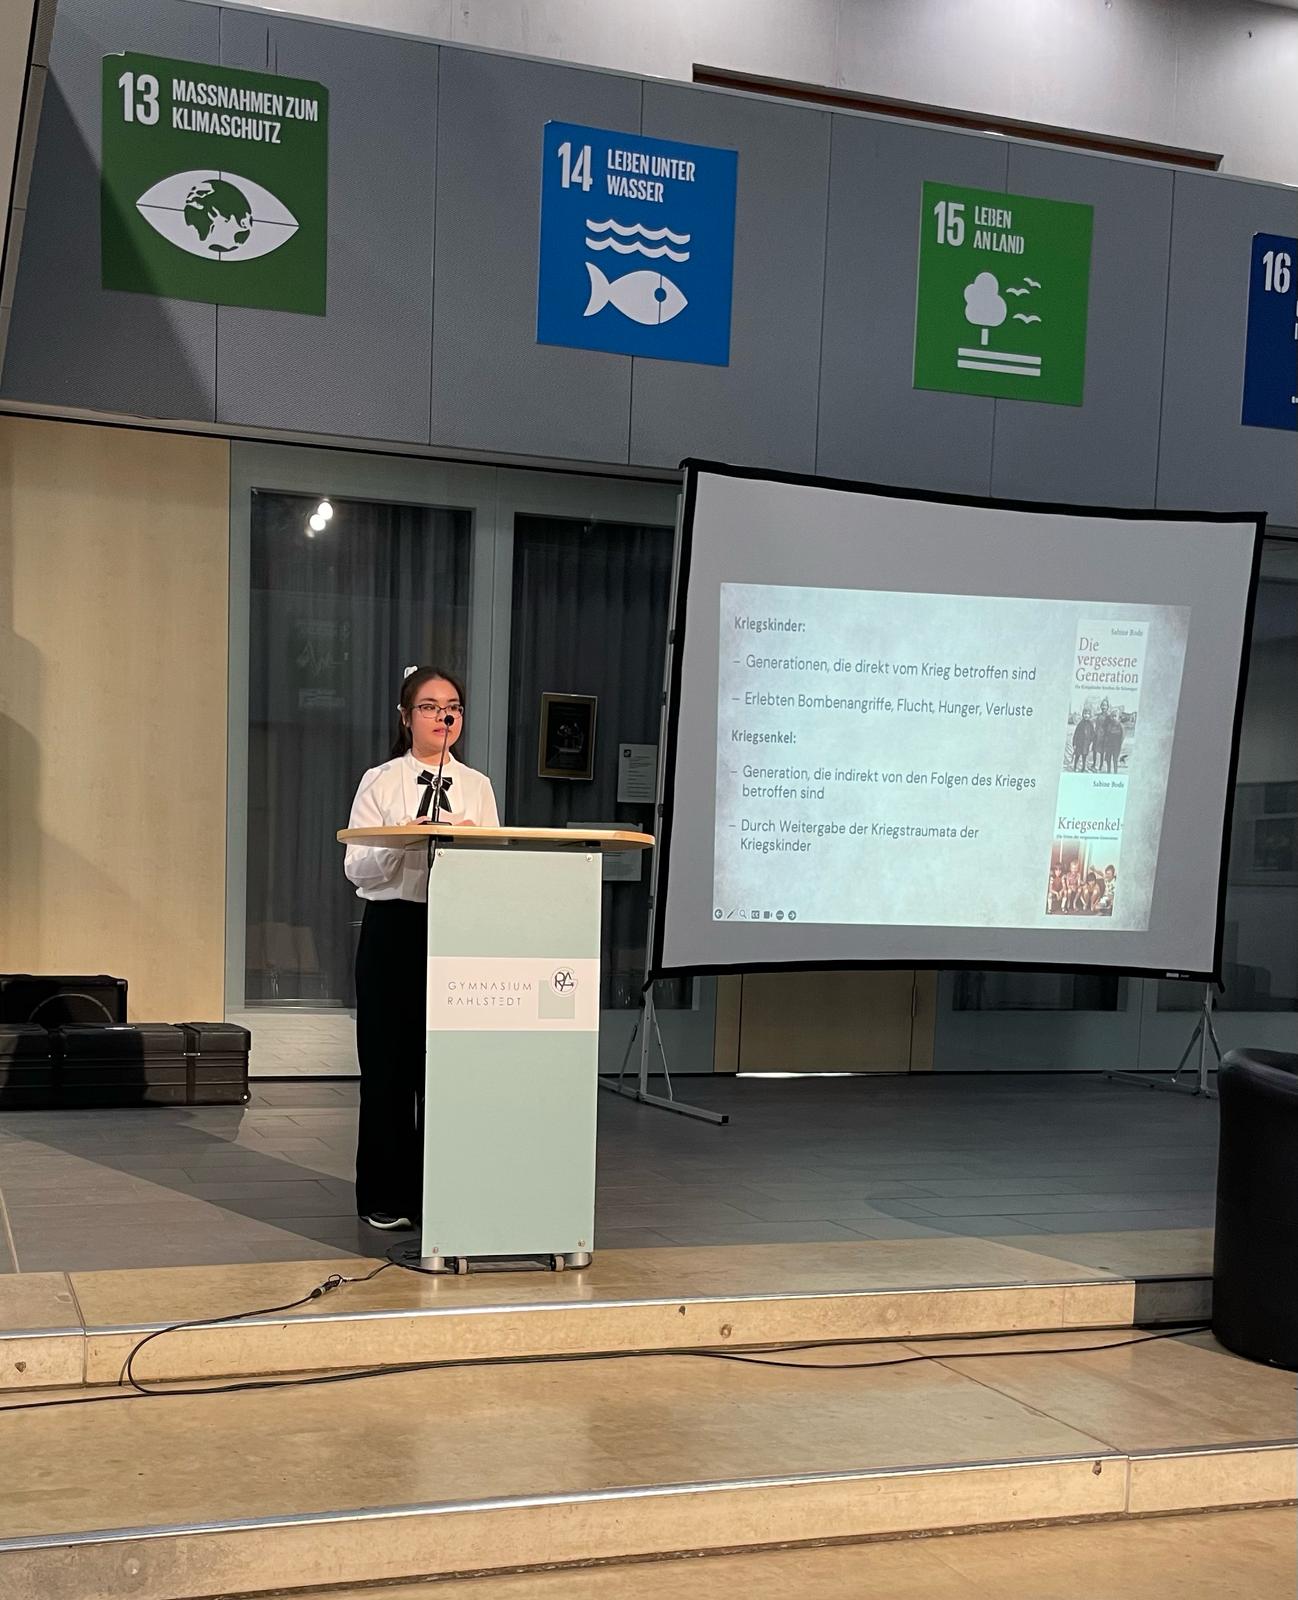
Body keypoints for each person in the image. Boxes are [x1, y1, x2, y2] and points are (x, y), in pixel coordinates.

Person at [343, 666, 499, 1231]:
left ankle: (444, 1192)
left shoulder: (477, 785)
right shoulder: (382, 780)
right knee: (388, 1065)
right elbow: (356, 867)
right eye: (430, 707)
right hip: (393, 928)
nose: (442, 716)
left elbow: (492, 863)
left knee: (449, 1067)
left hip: (455, 932)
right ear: (406, 717)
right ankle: (386, 1195)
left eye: (451, 707)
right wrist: (401, 840)